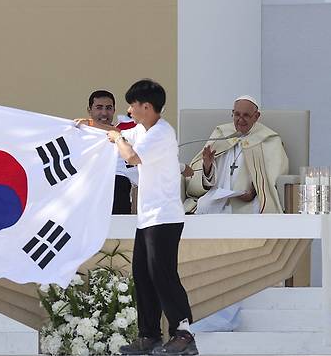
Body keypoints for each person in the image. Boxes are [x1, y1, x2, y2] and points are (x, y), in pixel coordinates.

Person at [107, 79, 197, 355]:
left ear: (146, 106)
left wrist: (118, 138)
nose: (129, 109)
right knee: (142, 275)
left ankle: (183, 333)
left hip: (165, 218)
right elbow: (114, 132)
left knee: (163, 275)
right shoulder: (142, 130)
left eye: (132, 104)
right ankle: (149, 335)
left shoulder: (161, 133)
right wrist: (87, 125)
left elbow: (131, 157)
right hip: (147, 218)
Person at [184, 95, 288, 214]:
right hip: (218, 196)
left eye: (246, 115)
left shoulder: (268, 139)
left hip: (250, 200)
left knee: (257, 210)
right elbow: (205, 178)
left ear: (256, 116)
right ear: (232, 113)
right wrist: (207, 166)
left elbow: (272, 175)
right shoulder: (221, 134)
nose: (240, 119)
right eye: (237, 114)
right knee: (203, 205)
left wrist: (254, 192)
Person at [75, 90, 137, 214]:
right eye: (99, 108)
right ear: (89, 110)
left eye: (108, 108)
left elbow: (119, 132)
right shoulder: (77, 135)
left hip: (117, 187)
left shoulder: (123, 133)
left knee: (118, 182)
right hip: (86, 188)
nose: (104, 113)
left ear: (114, 110)